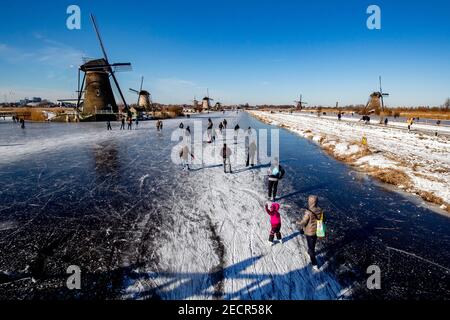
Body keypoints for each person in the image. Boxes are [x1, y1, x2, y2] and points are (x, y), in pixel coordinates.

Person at [296, 195, 324, 271]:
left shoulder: (308, 212)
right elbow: (323, 219)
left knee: (311, 249)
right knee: (313, 243)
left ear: (310, 202)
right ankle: (309, 251)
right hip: (317, 230)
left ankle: (314, 264)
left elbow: (303, 222)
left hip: (310, 232)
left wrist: (298, 222)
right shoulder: (320, 210)